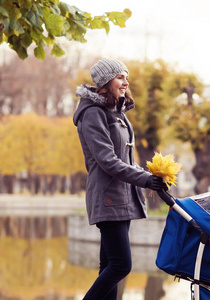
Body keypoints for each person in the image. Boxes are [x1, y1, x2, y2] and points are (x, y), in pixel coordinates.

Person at [73, 58, 167, 300]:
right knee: (121, 266)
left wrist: (151, 176)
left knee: (109, 267)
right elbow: (107, 160)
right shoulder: (93, 113)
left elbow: (127, 159)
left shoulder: (117, 112)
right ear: (106, 82)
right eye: (120, 77)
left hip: (121, 197)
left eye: (126, 77)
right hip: (108, 196)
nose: (126, 82)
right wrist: (145, 181)